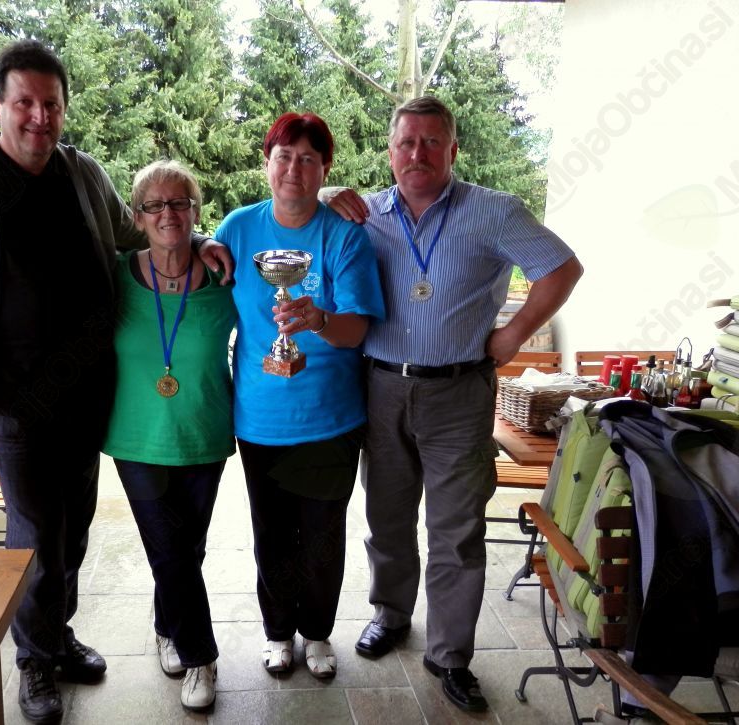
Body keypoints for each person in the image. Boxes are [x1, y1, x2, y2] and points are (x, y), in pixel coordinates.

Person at [0, 40, 232, 724]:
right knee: (35, 534)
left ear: (63, 108)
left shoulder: (82, 174)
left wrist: (197, 239)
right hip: (15, 402)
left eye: (50, 104)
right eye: (23, 102)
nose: (38, 117)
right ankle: (32, 660)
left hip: (86, 396)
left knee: (74, 530)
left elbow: (134, 233)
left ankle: (56, 635)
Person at [324, 95, 583, 713]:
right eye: (406, 142)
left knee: (457, 530)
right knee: (387, 518)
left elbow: (562, 269)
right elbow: (297, 215)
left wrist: (513, 335)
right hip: (381, 385)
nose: (417, 153)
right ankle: (391, 614)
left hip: (460, 392)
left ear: (452, 149)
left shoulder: (495, 211)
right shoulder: (363, 213)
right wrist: (328, 191)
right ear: (390, 150)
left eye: (431, 142)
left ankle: (450, 655)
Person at [214, 112, 384, 680]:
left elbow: (356, 330)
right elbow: (199, 264)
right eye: (283, 156)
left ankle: (317, 633)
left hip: (330, 416)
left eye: (308, 158)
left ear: (325, 169)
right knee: (271, 535)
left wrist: (319, 319)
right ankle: (277, 632)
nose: (294, 168)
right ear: (266, 163)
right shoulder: (238, 228)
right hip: (260, 416)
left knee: (321, 536)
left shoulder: (344, 236)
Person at [101, 160, 236, 711]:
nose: (167, 214)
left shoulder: (225, 276)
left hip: (204, 432)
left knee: (185, 549)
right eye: (153, 205)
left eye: (179, 203)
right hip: (136, 438)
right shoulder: (114, 275)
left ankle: (166, 626)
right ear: (137, 217)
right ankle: (201, 656)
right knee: (170, 547)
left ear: (195, 211)